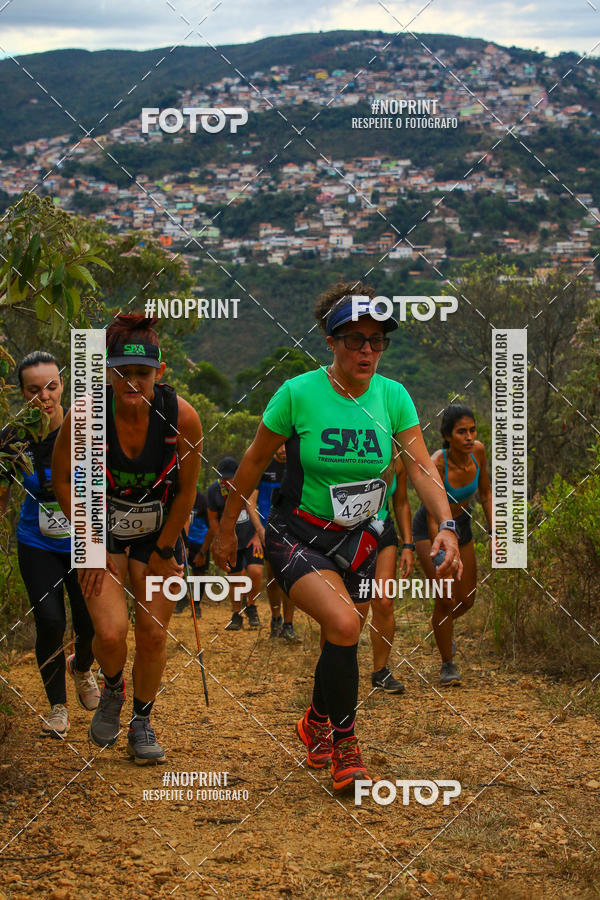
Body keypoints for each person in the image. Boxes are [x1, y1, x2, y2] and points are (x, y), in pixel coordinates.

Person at [212, 281, 462, 793]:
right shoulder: (298, 394)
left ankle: (316, 721)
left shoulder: (394, 397)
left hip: (362, 537)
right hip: (297, 533)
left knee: (341, 631)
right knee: (346, 623)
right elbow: (255, 462)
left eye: (377, 341)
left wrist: (448, 526)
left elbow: (419, 469)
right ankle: (346, 746)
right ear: (331, 340)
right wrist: (225, 530)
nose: (367, 350)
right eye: (355, 340)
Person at [52, 314, 202, 763]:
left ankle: (142, 721)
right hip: (101, 529)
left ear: (159, 371)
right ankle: (114, 689)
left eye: (142, 372)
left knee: (154, 635)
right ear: (107, 372)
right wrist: (91, 544)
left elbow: (188, 490)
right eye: (122, 372)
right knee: (112, 634)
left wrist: (163, 551)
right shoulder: (86, 416)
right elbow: (62, 480)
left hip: (159, 530)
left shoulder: (182, 419)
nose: (132, 381)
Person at [0, 351, 98, 738]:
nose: (45, 396)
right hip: (36, 541)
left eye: (52, 386)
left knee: (89, 621)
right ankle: (58, 707)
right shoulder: (13, 439)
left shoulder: (85, 428)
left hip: (83, 539)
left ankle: (84, 667)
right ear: (22, 393)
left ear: (63, 385)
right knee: (51, 622)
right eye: (34, 390)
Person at [413, 404, 492, 686]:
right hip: (431, 529)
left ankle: (441, 626)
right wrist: (444, 550)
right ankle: (448, 664)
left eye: (472, 430)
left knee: (466, 599)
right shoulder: (437, 462)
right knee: (446, 599)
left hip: (463, 525)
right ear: (448, 436)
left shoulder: (479, 452)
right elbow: (434, 514)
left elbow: (485, 493)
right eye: (462, 432)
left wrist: (494, 532)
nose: (469, 437)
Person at [366, 452, 415, 695]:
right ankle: (336, 669)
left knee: (384, 602)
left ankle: (380, 671)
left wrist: (408, 544)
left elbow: (401, 501)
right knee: (353, 605)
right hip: (345, 533)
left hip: (383, 530)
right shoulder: (355, 451)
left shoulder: (397, 459)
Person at [206, 457, 264, 631]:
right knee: (235, 578)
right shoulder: (214, 490)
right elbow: (213, 519)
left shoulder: (249, 486)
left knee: (255, 571)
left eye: (230, 477)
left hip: (250, 538)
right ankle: (236, 614)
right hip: (232, 543)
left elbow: (259, 510)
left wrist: (256, 536)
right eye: (223, 477)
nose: (226, 481)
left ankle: (251, 606)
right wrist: (221, 539)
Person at [255, 443, 298, 641]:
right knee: (272, 578)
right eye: (277, 445)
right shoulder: (263, 464)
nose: (281, 449)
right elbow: (250, 500)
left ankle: (289, 624)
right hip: (267, 528)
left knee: (290, 576)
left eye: (285, 444)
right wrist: (259, 529)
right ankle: (275, 619)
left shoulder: (298, 464)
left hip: (293, 528)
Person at [175, 487, 210, 616]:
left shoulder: (203, 500)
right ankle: (182, 598)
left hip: (199, 543)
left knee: (199, 574)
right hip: (181, 542)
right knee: (177, 569)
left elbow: (210, 526)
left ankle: (196, 605)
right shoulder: (179, 496)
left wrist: (204, 551)